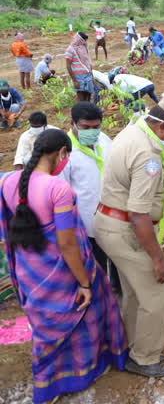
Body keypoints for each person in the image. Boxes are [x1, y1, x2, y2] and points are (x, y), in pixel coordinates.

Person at [0, 129, 128, 404]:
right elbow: (67, 243)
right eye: (66, 157)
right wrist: (84, 283)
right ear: (61, 153)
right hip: (62, 272)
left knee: (47, 327)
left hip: (30, 270)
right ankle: (82, 371)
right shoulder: (59, 189)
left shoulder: (8, 182)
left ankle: (49, 383)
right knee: (91, 309)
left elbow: (7, 229)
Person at [93, 93, 164, 377]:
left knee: (134, 292)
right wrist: (158, 258)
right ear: (163, 126)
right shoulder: (148, 155)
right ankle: (145, 358)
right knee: (157, 291)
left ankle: (128, 347)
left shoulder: (132, 132)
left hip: (110, 222)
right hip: (125, 229)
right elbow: (139, 214)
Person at [59, 102, 117, 286]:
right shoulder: (64, 153)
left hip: (114, 218)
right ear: (73, 124)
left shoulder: (105, 140)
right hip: (87, 225)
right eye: (85, 127)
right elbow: (61, 193)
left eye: (96, 127)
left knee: (117, 261)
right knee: (96, 266)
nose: (92, 131)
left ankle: (117, 289)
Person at [65, 32, 94, 103]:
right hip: (79, 77)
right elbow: (68, 66)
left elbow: (88, 64)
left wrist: (92, 76)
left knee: (88, 98)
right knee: (81, 98)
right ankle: (80, 113)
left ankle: (87, 112)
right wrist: (74, 81)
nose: (85, 42)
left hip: (88, 75)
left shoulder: (84, 48)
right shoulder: (70, 49)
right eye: (84, 40)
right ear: (79, 40)